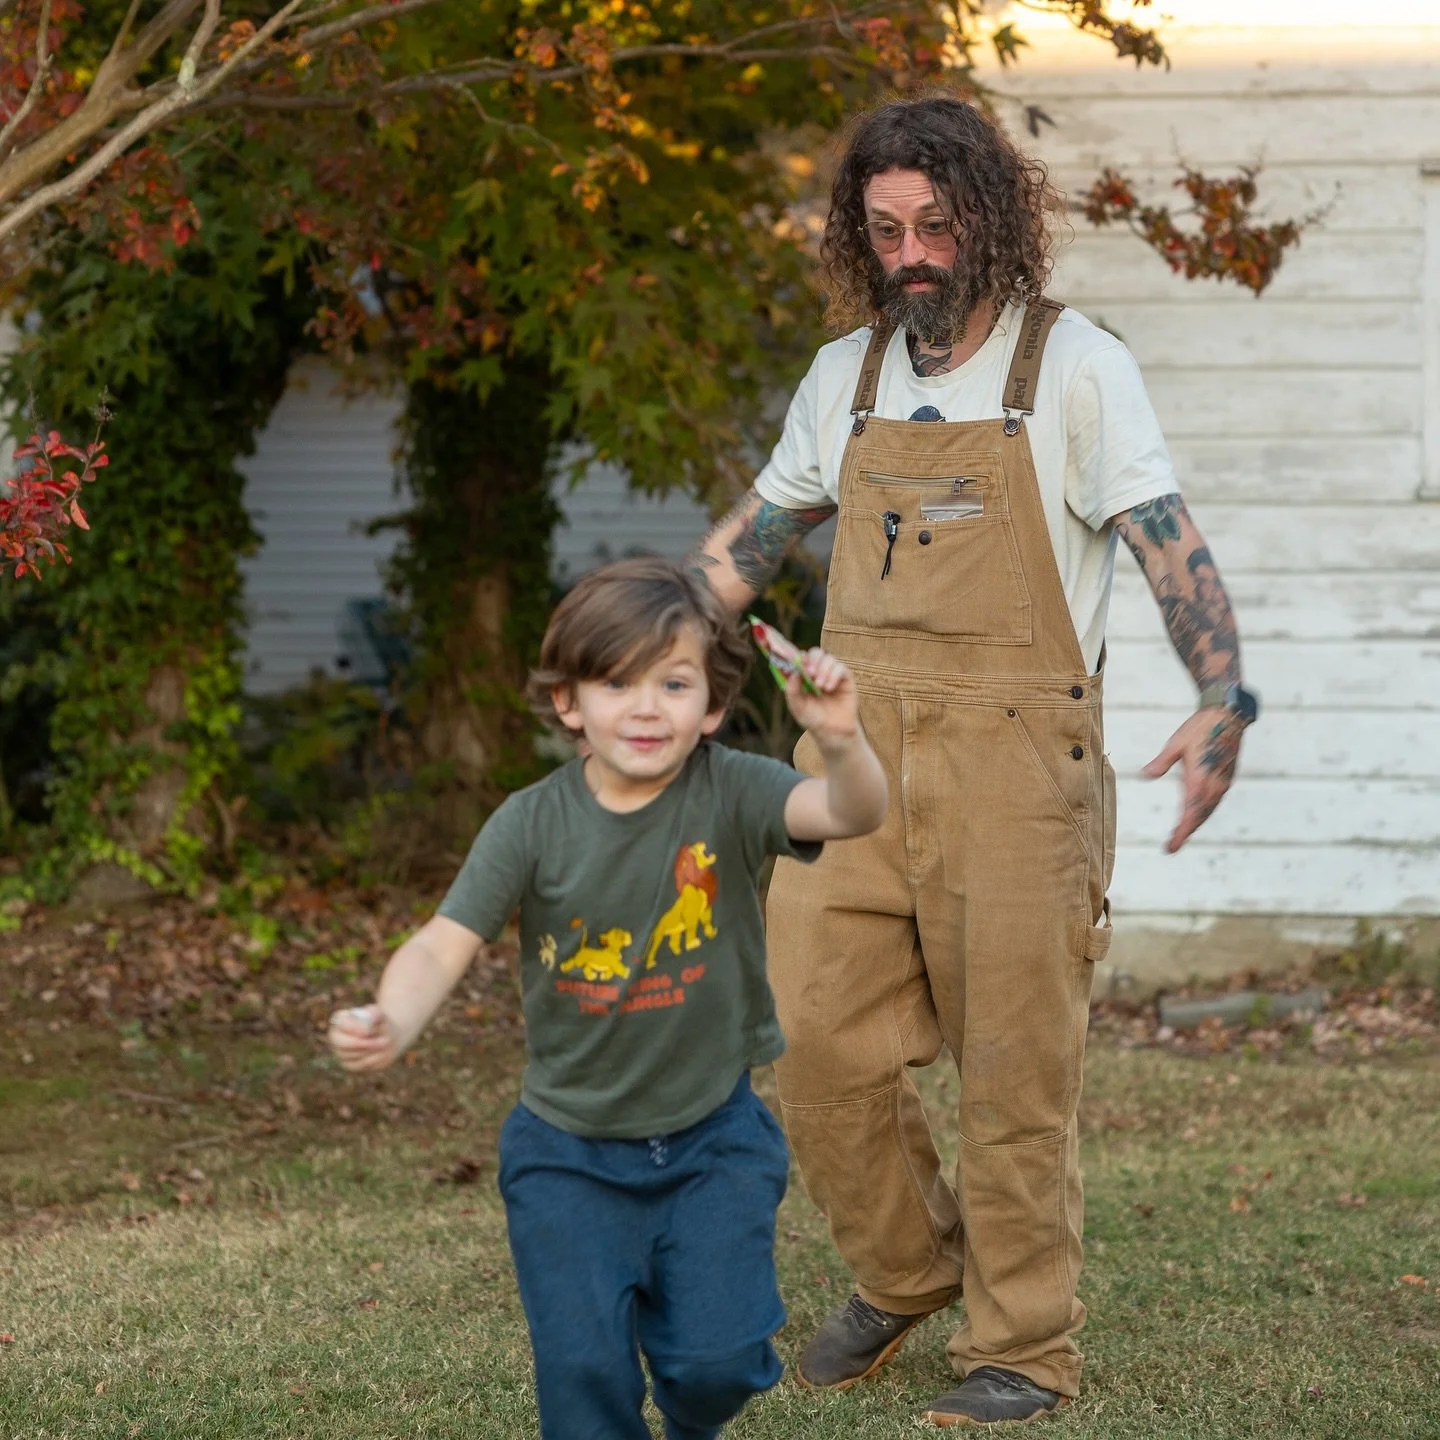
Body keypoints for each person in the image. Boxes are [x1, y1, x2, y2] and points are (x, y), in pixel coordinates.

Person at [689, 96, 1258, 1427]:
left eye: (936, 225)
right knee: (813, 1036)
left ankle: (1023, 1348)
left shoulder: (1077, 370)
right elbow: (756, 541)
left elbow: (1168, 539)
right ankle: (907, 1269)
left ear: (990, 219)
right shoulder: (846, 377)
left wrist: (1223, 691)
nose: (913, 255)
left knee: (1015, 1072)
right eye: (885, 231)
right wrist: (638, 640)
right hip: (854, 757)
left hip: (1020, 768)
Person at [328, 555, 888, 1440]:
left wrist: (844, 740)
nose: (644, 706)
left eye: (672, 683)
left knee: (718, 1365)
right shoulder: (530, 823)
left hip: (713, 1141)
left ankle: (692, 1390)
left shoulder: (733, 790)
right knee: (584, 1379)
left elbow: (853, 814)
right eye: (616, 682)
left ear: (709, 706)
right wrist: (394, 1017)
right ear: (568, 703)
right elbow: (443, 941)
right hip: (568, 1157)